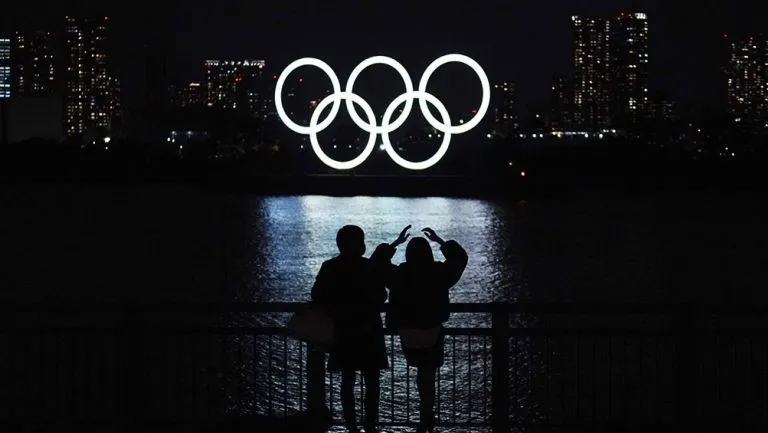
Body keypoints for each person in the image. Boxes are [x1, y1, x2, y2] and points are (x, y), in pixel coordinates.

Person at [310, 225, 409, 433]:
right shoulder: (369, 267)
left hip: (343, 331)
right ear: (360, 243)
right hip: (369, 331)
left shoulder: (330, 267)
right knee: (372, 382)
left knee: (347, 381)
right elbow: (382, 296)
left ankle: (351, 426)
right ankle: (370, 425)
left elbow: (317, 295)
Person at [379, 227, 468, 433]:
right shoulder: (439, 272)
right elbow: (460, 257)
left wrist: (394, 243)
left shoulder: (399, 274)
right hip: (433, 331)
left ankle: (424, 415)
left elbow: (377, 264)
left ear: (408, 254)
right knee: (428, 374)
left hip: (408, 332)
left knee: (421, 370)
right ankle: (427, 413)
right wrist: (440, 241)